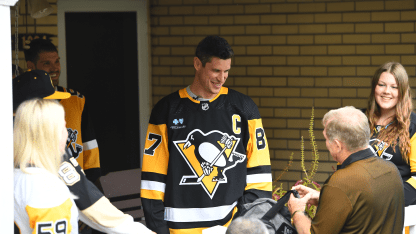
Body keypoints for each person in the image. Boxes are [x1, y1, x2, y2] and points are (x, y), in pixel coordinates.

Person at [140, 35, 272, 233]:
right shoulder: (166, 110)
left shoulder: (245, 108)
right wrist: (159, 229)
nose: (222, 78)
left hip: (230, 229)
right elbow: (152, 180)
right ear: (197, 64)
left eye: (226, 71)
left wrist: (239, 228)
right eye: (216, 70)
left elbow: (260, 178)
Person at [13, 70, 155, 234]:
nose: (67, 135)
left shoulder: (35, 167)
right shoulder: (45, 185)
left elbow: (90, 201)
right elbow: (88, 201)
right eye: (51, 101)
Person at [288, 106, 404, 234]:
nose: (326, 143)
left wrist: (297, 211)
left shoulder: (340, 182)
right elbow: (367, 207)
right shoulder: (392, 170)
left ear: (337, 145)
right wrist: (324, 198)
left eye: (326, 139)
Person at [24, 38, 101, 183]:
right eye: (46, 63)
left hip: (77, 186)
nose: (54, 68)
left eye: (57, 62)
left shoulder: (77, 99)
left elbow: (89, 145)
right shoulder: (23, 104)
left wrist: (93, 184)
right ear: (31, 66)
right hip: (39, 185)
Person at [14, 98, 80, 234]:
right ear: (50, 134)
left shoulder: (11, 176)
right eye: (63, 127)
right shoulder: (47, 188)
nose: (67, 133)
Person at [365, 61, 416, 207]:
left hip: (395, 209)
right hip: (361, 205)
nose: (387, 91)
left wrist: (384, 201)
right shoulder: (360, 120)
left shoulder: (412, 125)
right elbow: (344, 165)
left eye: (394, 87)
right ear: (374, 87)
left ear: (403, 91)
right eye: (382, 85)